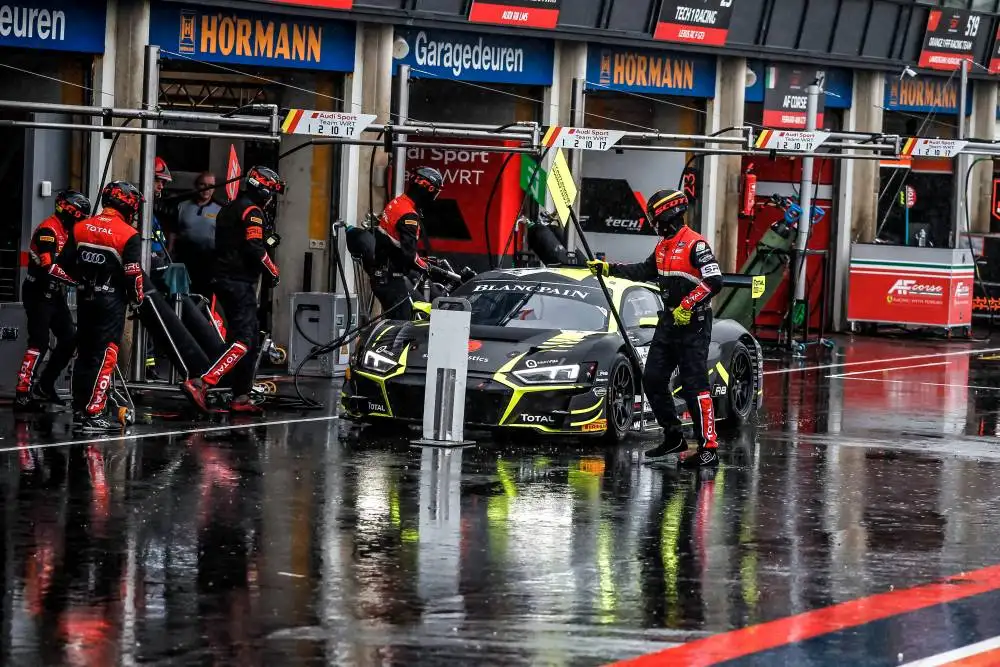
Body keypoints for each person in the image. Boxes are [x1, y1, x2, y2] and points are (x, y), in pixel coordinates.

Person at [588, 189, 724, 468]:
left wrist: (688, 305)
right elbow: (643, 270)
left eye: (654, 217)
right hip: (669, 323)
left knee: (695, 386)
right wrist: (608, 268)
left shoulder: (696, 244)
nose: (652, 222)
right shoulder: (662, 246)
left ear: (667, 214)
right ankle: (673, 436)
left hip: (695, 324)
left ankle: (709, 448)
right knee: (652, 378)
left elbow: (714, 281)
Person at [180, 165, 283, 415]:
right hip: (237, 282)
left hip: (224, 278)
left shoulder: (229, 207)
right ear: (264, 191)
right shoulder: (252, 211)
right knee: (243, 340)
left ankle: (241, 395)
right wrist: (273, 271)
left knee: (249, 340)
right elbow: (255, 247)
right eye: (271, 192)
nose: (271, 198)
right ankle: (202, 383)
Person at [54, 181, 145, 433]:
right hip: (111, 302)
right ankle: (94, 412)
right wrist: (137, 300)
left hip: (85, 298)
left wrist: (81, 281)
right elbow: (133, 275)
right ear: (128, 205)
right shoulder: (129, 234)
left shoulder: (81, 227)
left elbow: (63, 265)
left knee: (84, 354)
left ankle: (80, 409)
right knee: (106, 355)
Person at [14, 191, 92, 409]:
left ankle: (45, 386)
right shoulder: (48, 230)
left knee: (69, 339)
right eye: (80, 216)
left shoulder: (68, 232)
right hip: (37, 292)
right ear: (70, 211)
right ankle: (22, 393)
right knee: (39, 342)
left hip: (55, 294)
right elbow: (48, 266)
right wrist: (77, 281)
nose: (81, 221)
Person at [372, 166, 444, 321]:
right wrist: (428, 268)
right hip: (391, 278)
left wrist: (421, 261)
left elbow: (398, 244)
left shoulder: (398, 202)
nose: (434, 197)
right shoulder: (408, 215)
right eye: (435, 192)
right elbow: (409, 256)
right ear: (427, 188)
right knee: (408, 322)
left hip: (384, 274)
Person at [174, 171, 221, 296]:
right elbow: (173, 231)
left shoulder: (221, 210)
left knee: (203, 297)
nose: (206, 189)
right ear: (196, 185)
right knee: (180, 296)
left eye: (210, 186)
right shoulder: (182, 206)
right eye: (202, 184)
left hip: (208, 263)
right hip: (183, 260)